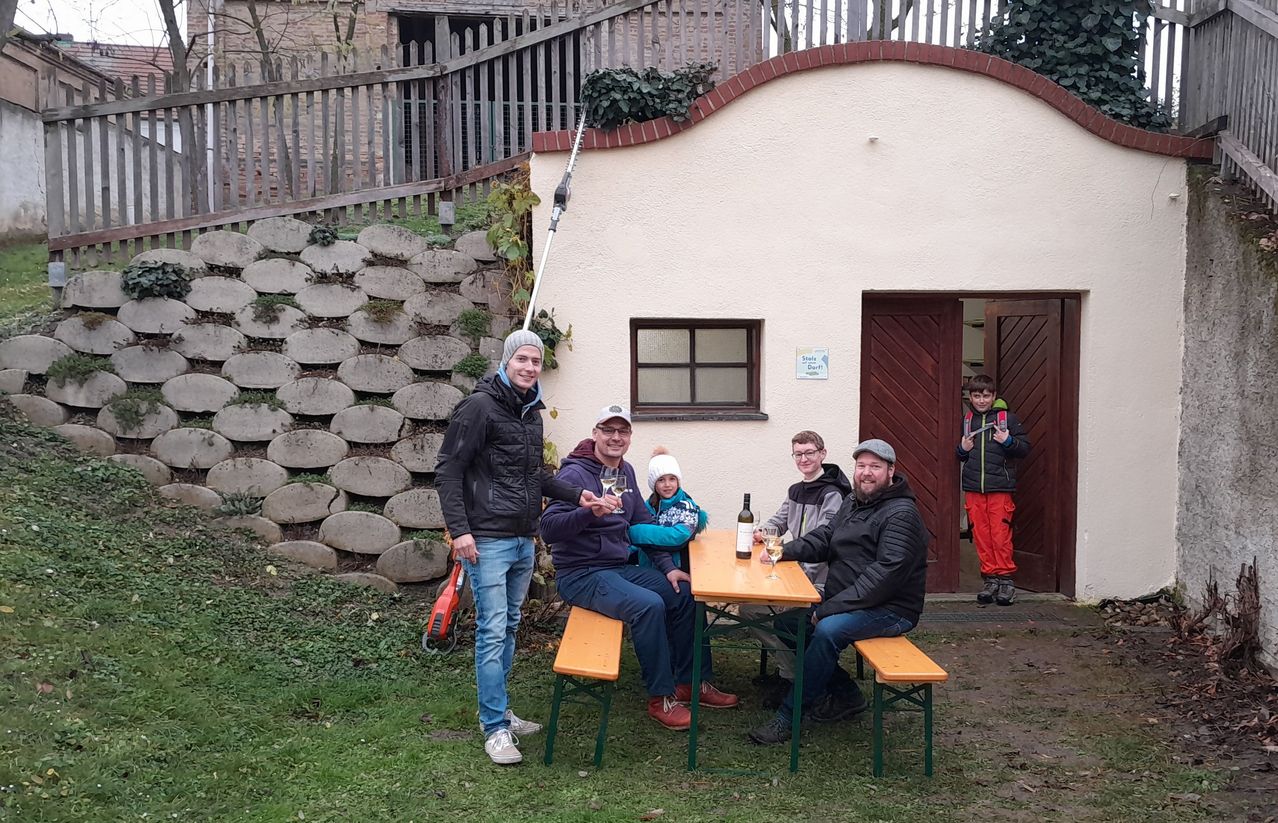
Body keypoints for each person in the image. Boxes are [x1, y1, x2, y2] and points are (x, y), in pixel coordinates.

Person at [435, 330, 601, 766]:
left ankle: (500, 710)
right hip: (485, 540)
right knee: (492, 631)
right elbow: (448, 470)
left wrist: (576, 496)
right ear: (506, 361)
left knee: (508, 626)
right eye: (522, 359)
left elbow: (534, 476)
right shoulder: (478, 407)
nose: (530, 367)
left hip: (523, 539)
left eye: (536, 361)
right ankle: (494, 729)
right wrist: (461, 530)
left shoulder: (530, 413)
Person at [541, 405, 739, 730]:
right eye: (608, 430)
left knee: (685, 592)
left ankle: (691, 682)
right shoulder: (575, 474)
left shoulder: (626, 472)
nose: (615, 437)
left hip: (617, 567)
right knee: (648, 606)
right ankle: (661, 698)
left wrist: (666, 567)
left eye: (623, 431)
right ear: (595, 434)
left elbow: (642, 523)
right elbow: (548, 529)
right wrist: (588, 513)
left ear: (630, 437)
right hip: (581, 573)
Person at [748, 439, 929, 745]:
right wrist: (782, 550)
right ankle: (846, 695)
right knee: (787, 624)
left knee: (827, 630)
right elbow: (824, 537)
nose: (866, 473)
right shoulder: (854, 503)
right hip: (850, 602)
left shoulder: (901, 514)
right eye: (861, 466)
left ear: (891, 471)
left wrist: (828, 609)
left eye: (875, 467)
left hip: (891, 608)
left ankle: (789, 716)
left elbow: (884, 577)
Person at [745, 431, 851, 706]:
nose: (804, 459)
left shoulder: (833, 494)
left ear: (822, 454)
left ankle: (794, 678)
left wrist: (788, 564)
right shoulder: (796, 490)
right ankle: (791, 672)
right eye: (798, 454)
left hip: (819, 583)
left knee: (780, 617)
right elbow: (778, 523)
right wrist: (761, 532)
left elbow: (821, 543)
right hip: (792, 574)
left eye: (809, 453)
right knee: (748, 609)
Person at [956, 374, 1031, 606]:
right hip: (973, 488)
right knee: (981, 536)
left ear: (993, 396)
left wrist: (1008, 441)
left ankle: (1006, 581)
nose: (981, 400)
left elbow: (1025, 448)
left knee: (1000, 535)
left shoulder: (1007, 419)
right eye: (976, 395)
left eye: (985, 396)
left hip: (1000, 487)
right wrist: (962, 448)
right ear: (970, 397)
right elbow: (959, 455)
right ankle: (990, 580)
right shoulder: (967, 420)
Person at [635, 446, 708, 572]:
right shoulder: (647, 506)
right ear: (654, 484)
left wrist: (636, 532)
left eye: (672, 479)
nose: (667, 485)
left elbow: (678, 536)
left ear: (678, 481)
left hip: (677, 569)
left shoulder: (687, 507)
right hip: (647, 568)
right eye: (661, 480)